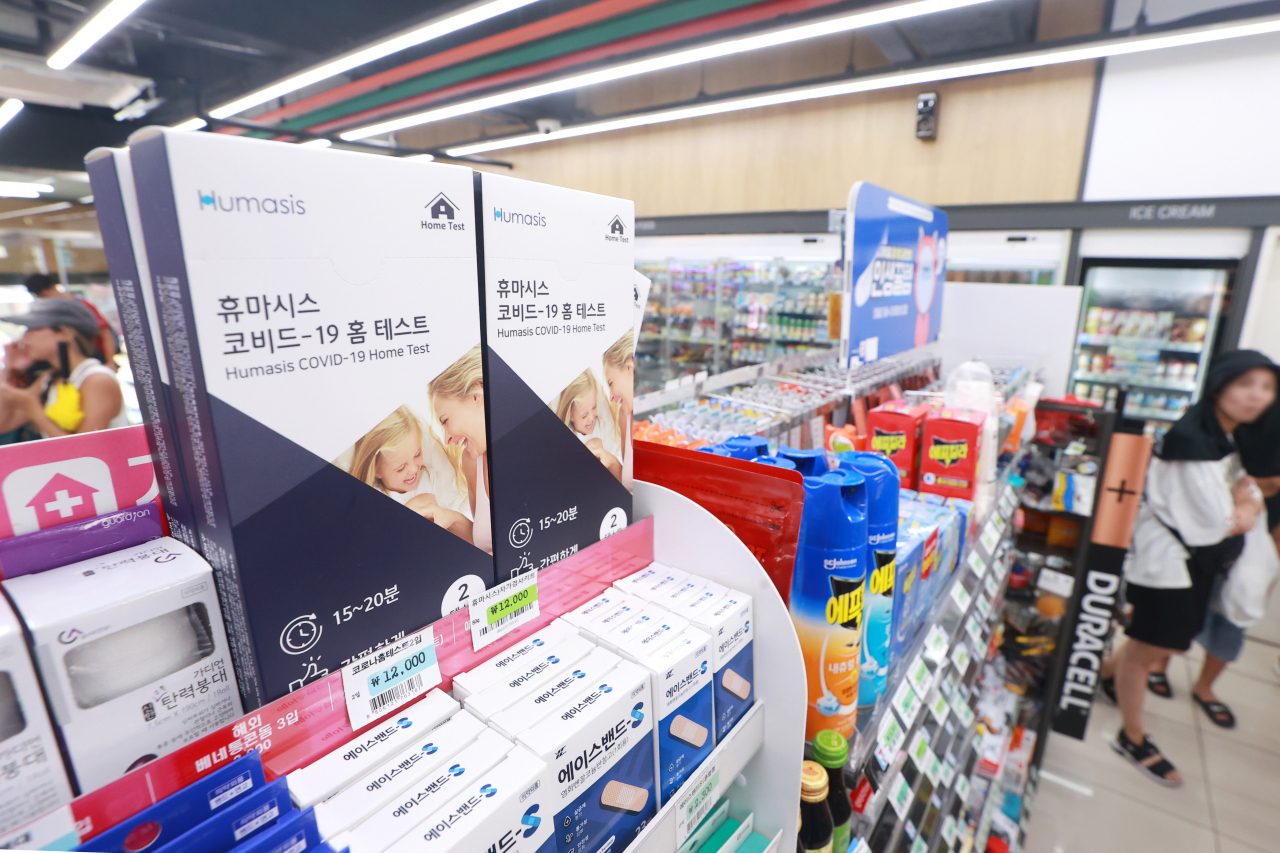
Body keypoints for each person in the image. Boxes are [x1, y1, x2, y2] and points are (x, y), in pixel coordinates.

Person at [1099, 349, 1277, 787]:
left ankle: (1107, 677)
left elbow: (1245, 491)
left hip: (1189, 559)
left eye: (1267, 388)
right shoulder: (1194, 444)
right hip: (1169, 563)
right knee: (1149, 647)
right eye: (1246, 384)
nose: (1257, 396)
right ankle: (1131, 735)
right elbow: (1225, 521)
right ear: (1220, 385)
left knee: (1157, 642)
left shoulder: (1224, 433)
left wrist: (1245, 497)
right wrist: (1247, 501)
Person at [0, 299, 126, 437]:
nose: (24, 337)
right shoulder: (49, 379)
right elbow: (3, 424)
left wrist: (34, 411)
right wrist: (9, 368)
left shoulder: (97, 379)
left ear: (65, 333)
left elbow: (88, 449)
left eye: (34, 328)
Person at [347, 405, 472, 541]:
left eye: (417, 454)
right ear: (376, 471)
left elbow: (467, 528)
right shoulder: (371, 502)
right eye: (401, 468)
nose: (413, 469)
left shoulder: (432, 480)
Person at [428, 345, 492, 555]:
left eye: (445, 421)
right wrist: (450, 518)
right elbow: (486, 544)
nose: (447, 439)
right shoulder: (472, 461)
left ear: (476, 394)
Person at [25, 274, 118, 370]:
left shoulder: (82, 306)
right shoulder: (52, 313)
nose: (47, 299)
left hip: (95, 358)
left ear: (54, 286)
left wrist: (110, 362)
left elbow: (105, 334)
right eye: (42, 297)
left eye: (46, 295)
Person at [557, 369, 622, 480]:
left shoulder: (603, 426)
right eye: (584, 416)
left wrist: (608, 457)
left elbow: (622, 475)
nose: (591, 418)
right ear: (571, 415)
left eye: (594, 407)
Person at [602, 330, 636, 490]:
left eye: (610, 383)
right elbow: (629, 486)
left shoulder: (653, 424)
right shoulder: (624, 417)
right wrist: (610, 461)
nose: (612, 398)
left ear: (629, 367)